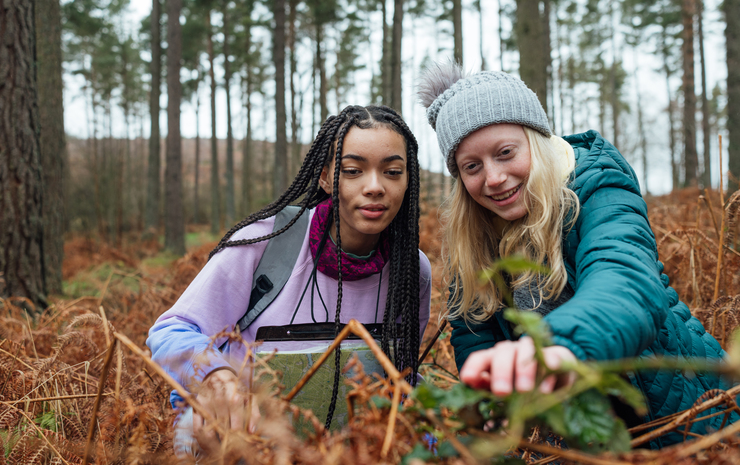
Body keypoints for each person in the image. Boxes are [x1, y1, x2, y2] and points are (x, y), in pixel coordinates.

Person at [417, 62, 732, 448]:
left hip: (689, 422)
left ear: (536, 140)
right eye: (472, 166)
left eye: (505, 153)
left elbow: (624, 281)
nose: (494, 177)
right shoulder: (478, 237)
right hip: (578, 441)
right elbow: (474, 332)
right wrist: (489, 406)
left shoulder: (598, 188)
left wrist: (558, 347)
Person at [147, 105, 432, 456]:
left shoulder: (411, 272)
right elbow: (171, 330)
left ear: (408, 180)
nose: (375, 187)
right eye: (353, 171)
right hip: (247, 443)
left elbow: (400, 375)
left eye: (392, 171)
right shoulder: (267, 243)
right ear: (326, 178)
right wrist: (216, 378)